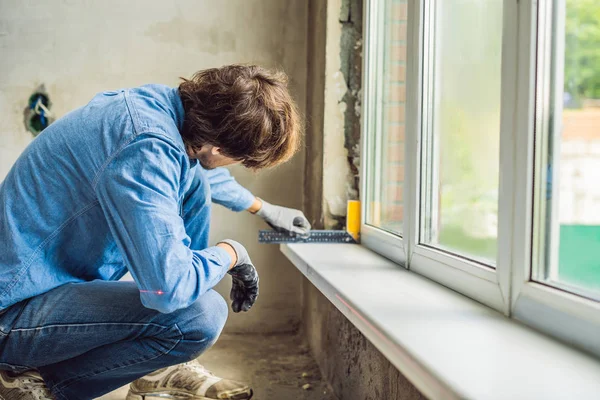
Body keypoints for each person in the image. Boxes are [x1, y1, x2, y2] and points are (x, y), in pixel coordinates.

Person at [0, 65, 311, 400]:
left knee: (196, 188)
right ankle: (27, 377)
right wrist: (231, 252)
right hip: (12, 313)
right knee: (200, 315)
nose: (235, 165)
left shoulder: (164, 112)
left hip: (43, 290)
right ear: (218, 151)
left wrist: (263, 209)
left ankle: (158, 369)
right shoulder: (145, 146)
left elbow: (204, 175)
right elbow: (169, 291)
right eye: (241, 159)